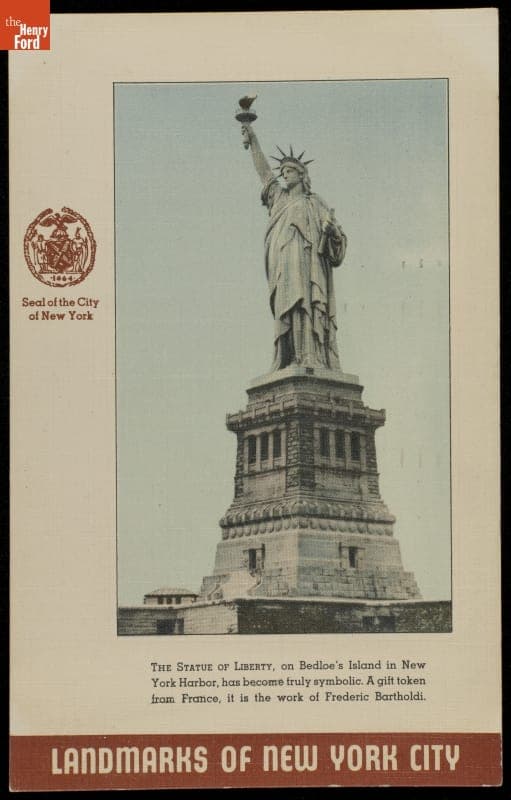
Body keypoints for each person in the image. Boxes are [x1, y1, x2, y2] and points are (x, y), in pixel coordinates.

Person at [242, 123, 347, 371]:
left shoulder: (315, 202)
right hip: (283, 267)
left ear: (302, 175)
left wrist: (331, 232)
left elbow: (337, 238)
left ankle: (310, 356)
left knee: (307, 307)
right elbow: (264, 173)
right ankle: (288, 358)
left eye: (290, 170)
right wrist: (253, 140)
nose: (285, 174)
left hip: (309, 265)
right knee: (287, 310)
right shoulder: (279, 199)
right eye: (284, 171)